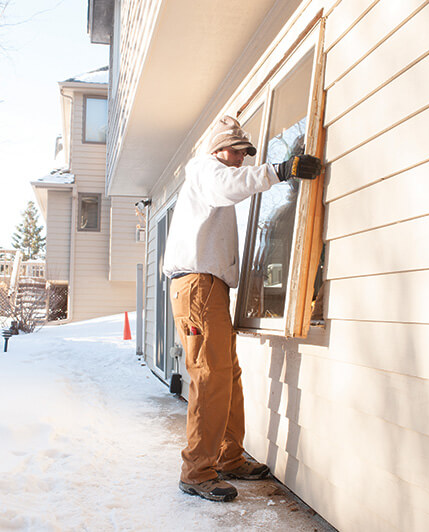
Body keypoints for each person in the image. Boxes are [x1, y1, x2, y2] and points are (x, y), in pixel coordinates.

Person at [163, 115, 321, 502]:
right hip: (198, 287)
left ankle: (229, 457)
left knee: (226, 375)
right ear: (218, 150)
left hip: (210, 288)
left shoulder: (214, 177)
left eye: (246, 153)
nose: (240, 159)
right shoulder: (205, 169)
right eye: (236, 152)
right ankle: (198, 471)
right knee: (209, 377)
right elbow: (230, 186)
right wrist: (281, 170)